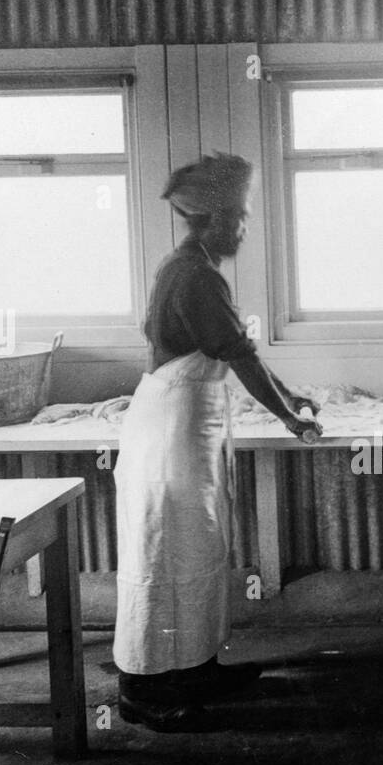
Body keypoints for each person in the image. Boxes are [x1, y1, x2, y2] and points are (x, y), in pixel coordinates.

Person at [114, 153, 322, 732]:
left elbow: (240, 354)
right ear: (211, 220)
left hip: (188, 422)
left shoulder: (193, 266)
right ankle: (144, 690)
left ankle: (195, 665)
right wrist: (289, 416)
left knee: (197, 547)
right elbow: (242, 357)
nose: (244, 229)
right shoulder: (195, 276)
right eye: (239, 218)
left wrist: (292, 397)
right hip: (171, 430)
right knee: (164, 554)